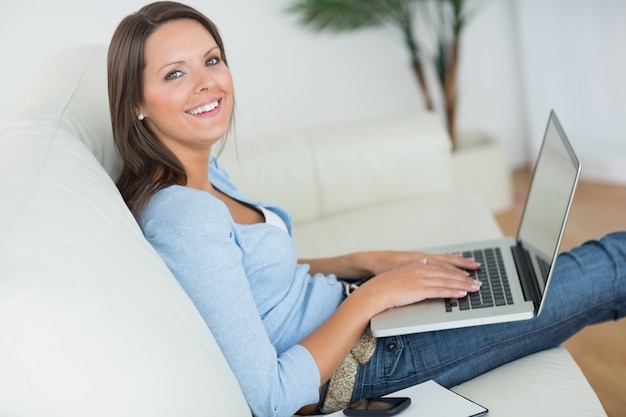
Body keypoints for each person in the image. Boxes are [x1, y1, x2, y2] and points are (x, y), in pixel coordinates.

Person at [107, 2, 626, 416]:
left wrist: (363, 262)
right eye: (175, 73)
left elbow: (252, 286)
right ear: (136, 101)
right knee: (609, 267)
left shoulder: (199, 165)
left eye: (212, 59)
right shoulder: (184, 217)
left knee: (547, 271)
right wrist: (375, 297)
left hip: (361, 317)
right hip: (363, 364)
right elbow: (272, 398)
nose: (207, 83)